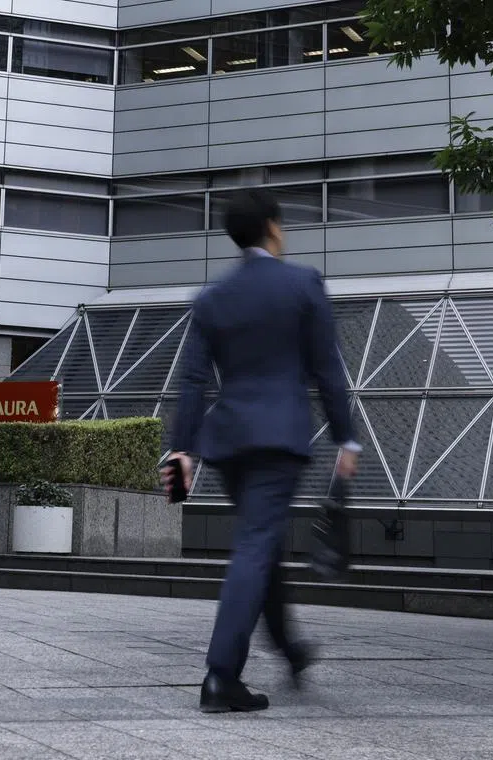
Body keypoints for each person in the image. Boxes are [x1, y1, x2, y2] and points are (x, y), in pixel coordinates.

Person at [162, 188, 359, 714]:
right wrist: (348, 435)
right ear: (273, 226)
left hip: (227, 444)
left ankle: (291, 651)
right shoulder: (302, 284)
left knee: (261, 544)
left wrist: (182, 448)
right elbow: (327, 368)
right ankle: (221, 675)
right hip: (279, 439)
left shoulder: (212, 297)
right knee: (255, 545)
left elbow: (193, 379)